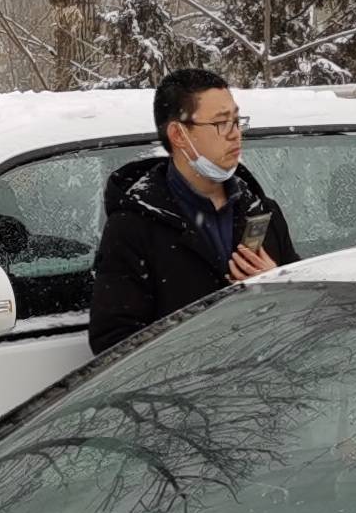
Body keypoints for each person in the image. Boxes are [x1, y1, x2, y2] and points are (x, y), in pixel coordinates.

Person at [88, 67, 298, 352]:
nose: (236, 135)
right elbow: (113, 343)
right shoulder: (134, 227)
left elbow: (303, 314)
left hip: (266, 385)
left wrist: (277, 285)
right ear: (178, 134)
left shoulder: (261, 211)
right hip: (186, 392)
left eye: (237, 121)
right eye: (222, 123)